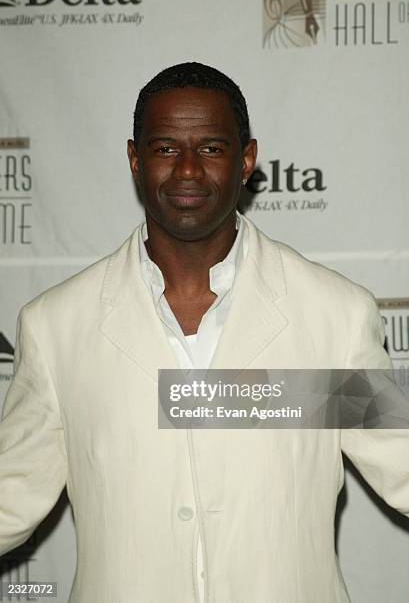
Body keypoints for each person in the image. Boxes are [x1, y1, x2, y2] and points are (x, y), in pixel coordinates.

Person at [0, 62, 408, 603]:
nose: (187, 170)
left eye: (212, 148)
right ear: (134, 159)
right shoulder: (57, 326)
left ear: (246, 161)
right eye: (166, 148)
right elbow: (11, 497)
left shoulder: (331, 315)